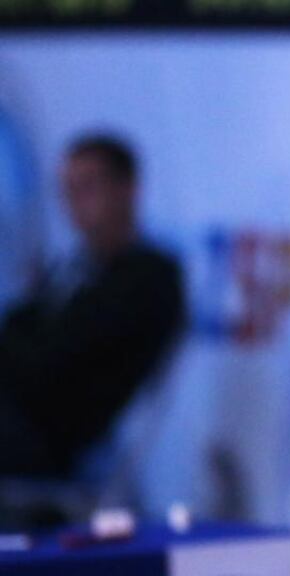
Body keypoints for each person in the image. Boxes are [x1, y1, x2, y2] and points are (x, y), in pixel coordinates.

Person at [0, 133, 185, 480]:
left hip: (48, 438)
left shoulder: (149, 277)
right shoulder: (76, 267)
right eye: (67, 190)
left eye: (87, 187)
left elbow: (52, 360)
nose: (74, 203)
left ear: (128, 188)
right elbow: (20, 328)